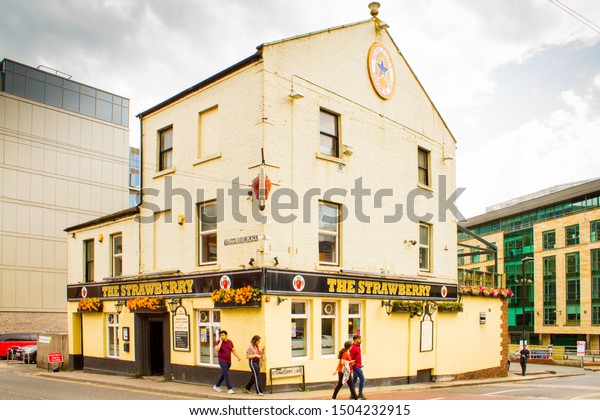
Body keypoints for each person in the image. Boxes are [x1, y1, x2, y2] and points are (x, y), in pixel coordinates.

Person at [349, 334, 366, 399]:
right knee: (362, 378)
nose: (360, 340)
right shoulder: (353, 347)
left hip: (358, 365)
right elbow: (351, 358)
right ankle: (360, 394)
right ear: (355, 340)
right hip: (356, 366)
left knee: (354, 381)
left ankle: (352, 394)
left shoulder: (358, 346)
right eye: (359, 339)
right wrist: (351, 368)